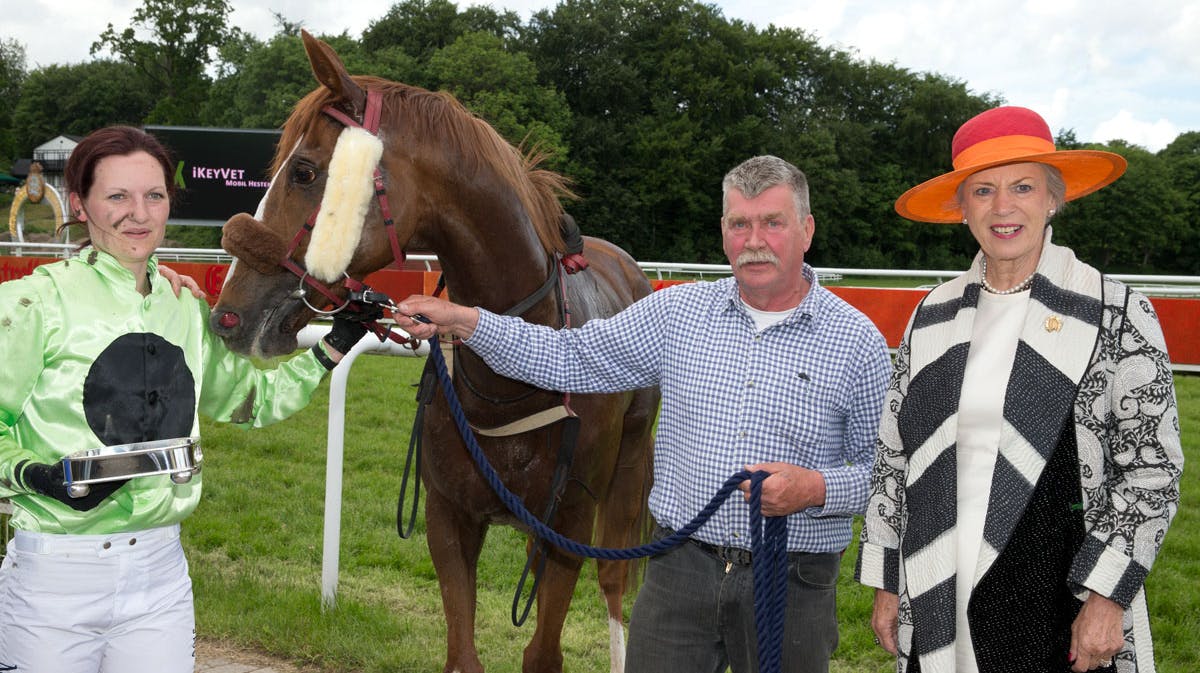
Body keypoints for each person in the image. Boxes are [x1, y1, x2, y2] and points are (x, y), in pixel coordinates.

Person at [395, 155, 892, 673]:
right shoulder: (677, 313)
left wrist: (814, 490)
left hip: (791, 579)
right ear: (723, 233)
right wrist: (466, 320)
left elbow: (881, 475)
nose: (755, 240)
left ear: (806, 230)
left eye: (773, 222)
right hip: (681, 570)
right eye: (740, 224)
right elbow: (571, 356)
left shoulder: (856, 343)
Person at [0, 125, 375, 673]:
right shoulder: (30, 304)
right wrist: (33, 476)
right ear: (80, 205)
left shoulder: (184, 309)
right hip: (52, 582)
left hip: (161, 579)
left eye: (154, 195)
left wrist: (334, 346)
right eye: (117, 197)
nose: (139, 213)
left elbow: (251, 399)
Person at [854, 106, 1184, 673]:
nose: (1002, 207)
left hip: (1058, 590)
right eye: (982, 191)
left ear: (1054, 198)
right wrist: (888, 579)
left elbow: (1152, 471)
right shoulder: (930, 315)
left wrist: (1106, 596)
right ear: (962, 210)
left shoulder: (1118, 311)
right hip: (937, 580)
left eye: (1023, 186)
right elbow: (893, 456)